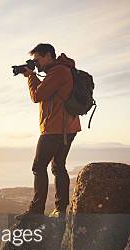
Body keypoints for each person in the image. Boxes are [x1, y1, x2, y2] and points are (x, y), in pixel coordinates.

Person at [15, 43, 82, 221]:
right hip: (66, 127)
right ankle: (60, 210)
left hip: (55, 129)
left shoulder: (58, 72)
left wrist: (30, 77)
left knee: (38, 167)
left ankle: (37, 210)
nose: (36, 63)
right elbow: (46, 92)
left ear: (48, 56)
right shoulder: (60, 70)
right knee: (58, 166)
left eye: (37, 59)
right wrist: (33, 74)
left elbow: (37, 96)